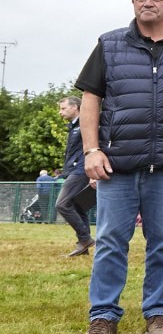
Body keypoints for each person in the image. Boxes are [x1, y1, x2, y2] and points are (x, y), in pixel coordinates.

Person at [74, 0, 163, 334]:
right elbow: (90, 100)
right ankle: (103, 317)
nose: (148, 3)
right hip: (116, 164)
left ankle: (159, 315)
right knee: (111, 242)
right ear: (133, 2)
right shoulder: (109, 44)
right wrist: (91, 150)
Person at [55, 96, 97, 256]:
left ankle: (85, 239)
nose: (60, 112)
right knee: (78, 207)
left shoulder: (86, 123)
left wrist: (93, 174)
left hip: (81, 170)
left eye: (63, 108)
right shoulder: (73, 126)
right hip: (74, 170)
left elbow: (94, 146)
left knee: (62, 204)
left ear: (75, 107)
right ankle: (83, 247)